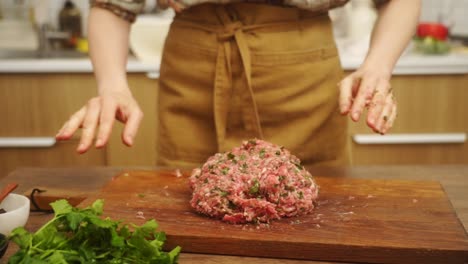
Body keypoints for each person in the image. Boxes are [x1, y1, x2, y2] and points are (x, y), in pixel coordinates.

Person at [55, 0, 421, 167]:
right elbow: (113, 5)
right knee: (182, 211)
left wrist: (377, 67)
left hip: (304, 80)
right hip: (192, 75)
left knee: (319, 215)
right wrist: (112, 85)